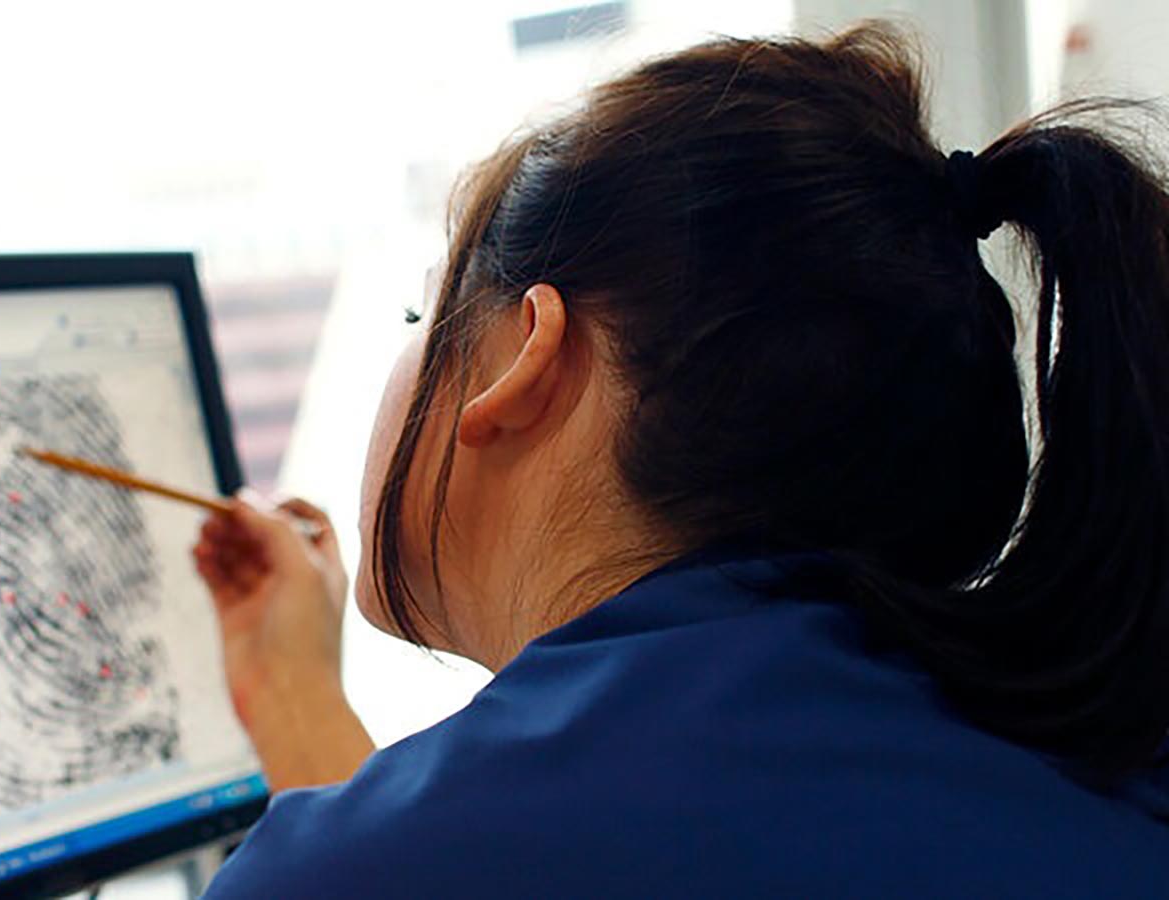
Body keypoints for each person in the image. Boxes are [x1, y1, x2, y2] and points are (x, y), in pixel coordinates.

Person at [190, 23, 1169, 897]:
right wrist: (294, 700)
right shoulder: (1084, 773)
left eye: (423, 313)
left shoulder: (368, 869)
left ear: (529, 355)